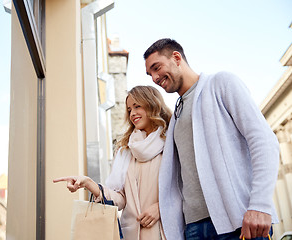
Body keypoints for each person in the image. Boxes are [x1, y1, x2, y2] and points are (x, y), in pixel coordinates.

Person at [143, 38, 279, 240]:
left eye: (157, 67)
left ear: (177, 58)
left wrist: (260, 204)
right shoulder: (176, 116)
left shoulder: (221, 83)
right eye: (150, 74)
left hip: (239, 222)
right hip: (194, 229)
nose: (154, 78)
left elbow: (264, 141)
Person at [54, 86, 172, 240]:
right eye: (129, 109)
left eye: (137, 106)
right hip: (131, 233)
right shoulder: (125, 149)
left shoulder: (171, 142)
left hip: (166, 231)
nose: (133, 113)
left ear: (152, 104)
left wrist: (161, 207)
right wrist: (89, 183)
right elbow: (120, 198)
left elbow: (185, 189)